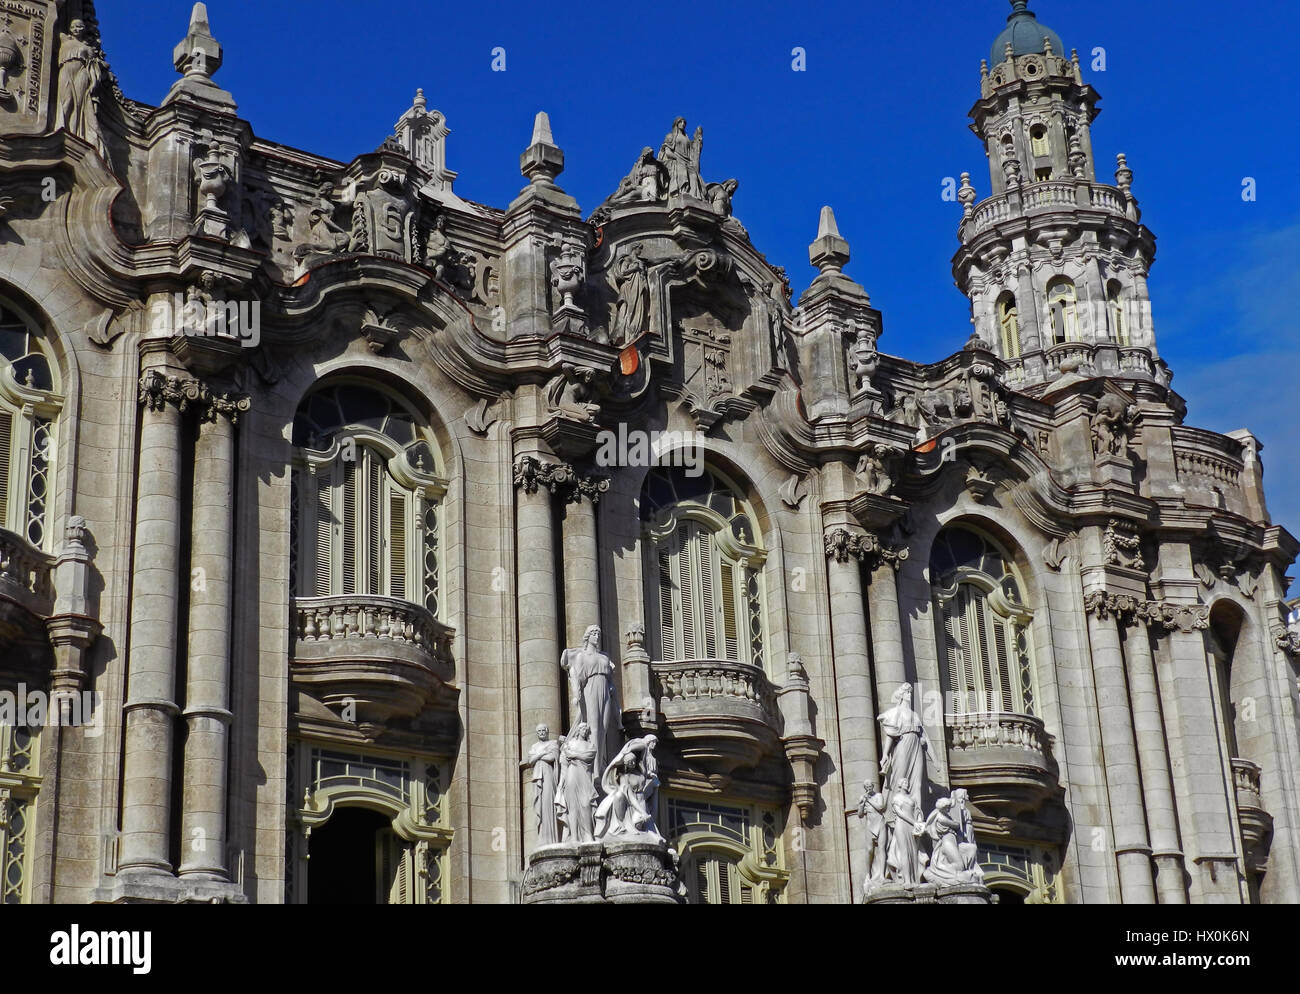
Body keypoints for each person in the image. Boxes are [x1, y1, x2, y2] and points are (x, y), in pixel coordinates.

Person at [559, 626, 619, 775]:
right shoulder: (582, 656)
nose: (596, 636)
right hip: (591, 689)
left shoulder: (604, 658)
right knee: (594, 728)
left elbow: (611, 680)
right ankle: (594, 769)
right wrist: (576, 695)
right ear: (587, 636)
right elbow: (577, 677)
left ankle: (599, 764)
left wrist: (613, 694)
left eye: (598, 633)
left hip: (605, 690)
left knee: (603, 729)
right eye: (593, 633)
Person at [555, 723, 597, 844]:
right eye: (582, 728)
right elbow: (564, 764)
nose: (584, 731)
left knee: (586, 803)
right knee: (571, 806)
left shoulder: (590, 745)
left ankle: (588, 834)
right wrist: (560, 783)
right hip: (571, 775)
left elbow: (589, 756)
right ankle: (574, 836)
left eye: (586, 729)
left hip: (585, 777)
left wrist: (574, 755)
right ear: (578, 731)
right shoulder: (570, 744)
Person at [525, 724, 561, 847]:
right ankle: (543, 837)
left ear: (547, 731)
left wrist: (538, 756)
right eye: (539, 731)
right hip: (538, 778)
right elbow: (530, 761)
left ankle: (551, 837)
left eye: (543, 730)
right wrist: (542, 754)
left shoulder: (553, 743)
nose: (541, 733)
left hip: (548, 777)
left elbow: (552, 757)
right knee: (541, 805)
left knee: (548, 804)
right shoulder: (534, 746)